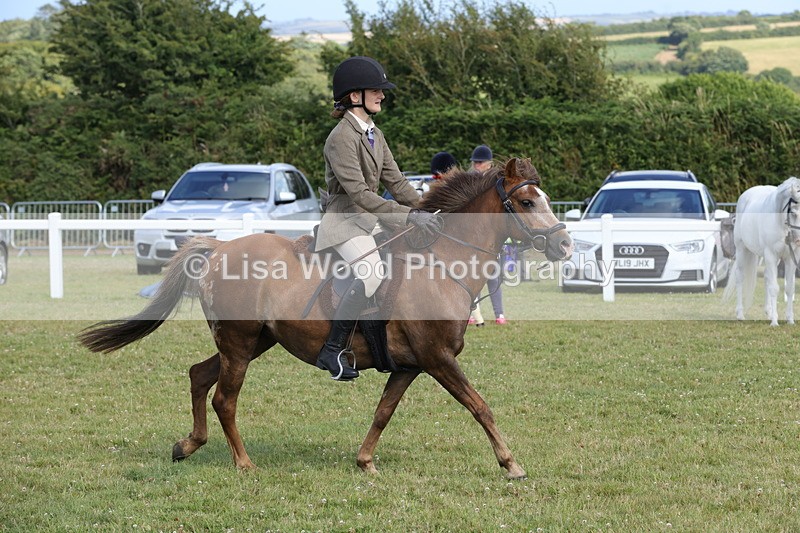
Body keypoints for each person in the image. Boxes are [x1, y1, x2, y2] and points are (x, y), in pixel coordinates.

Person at [314, 56, 440, 380]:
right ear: (355, 96)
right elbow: (360, 194)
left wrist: (428, 208)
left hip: (369, 220)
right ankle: (332, 351)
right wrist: (409, 217)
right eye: (376, 90)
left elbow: (396, 183)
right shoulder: (340, 138)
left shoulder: (375, 134)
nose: (382, 96)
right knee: (371, 274)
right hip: (344, 221)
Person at [467, 144, 507, 326]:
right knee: (475, 275)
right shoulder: (470, 182)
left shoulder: (495, 184)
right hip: (473, 236)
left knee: (493, 276)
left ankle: (499, 314)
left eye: (480, 163)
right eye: (475, 162)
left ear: (489, 164)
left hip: (492, 236)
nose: (476, 165)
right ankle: (473, 314)